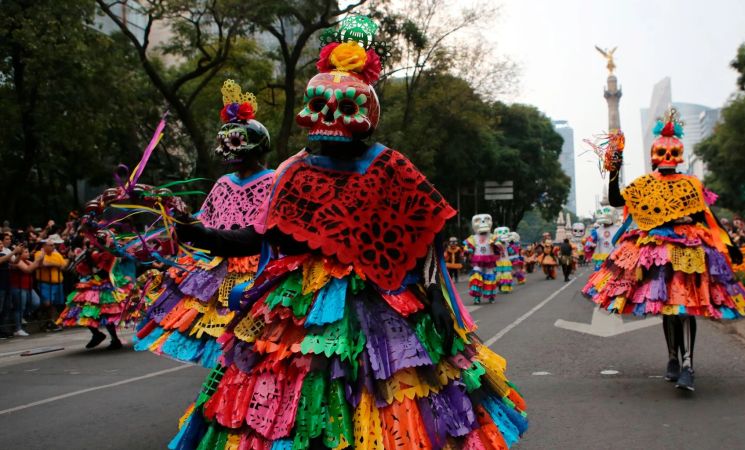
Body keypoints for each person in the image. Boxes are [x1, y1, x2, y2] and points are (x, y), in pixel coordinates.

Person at [168, 15, 527, 449]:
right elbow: (258, 236)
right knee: (300, 399)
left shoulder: (390, 166)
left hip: (386, 296)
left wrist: (435, 292)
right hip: (304, 305)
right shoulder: (295, 172)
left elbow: (425, 227)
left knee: (391, 392)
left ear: (367, 118)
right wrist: (198, 234)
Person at [583, 108, 745, 392]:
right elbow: (615, 200)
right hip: (657, 250)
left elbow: (705, 216)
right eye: (663, 152)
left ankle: (688, 365)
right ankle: (673, 358)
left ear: (680, 154)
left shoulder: (690, 184)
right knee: (670, 309)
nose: (668, 158)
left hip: (690, 249)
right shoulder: (645, 184)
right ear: (654, 155)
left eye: (673, 153)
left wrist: (728, 244)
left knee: (684, 308)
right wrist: (613, 169)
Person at [134, 80, 276, 368]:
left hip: (258, 266)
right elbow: (206, 218)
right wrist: (180, 219)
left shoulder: (274, 180)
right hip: (218, 268)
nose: (229, 151)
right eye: (225, 143)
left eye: (235, 143)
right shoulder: (223, 183)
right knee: (220, 334)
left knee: (258, 335)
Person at [56, 231, 135, 349]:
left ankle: (114, 339)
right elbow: (93, 266)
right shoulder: (93, 252)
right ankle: (97, 334)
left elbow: (122, 257)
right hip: (96, 284)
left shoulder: (113, 250)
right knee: (82, 310)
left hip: (111, 283)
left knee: (108, 311)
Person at [34, 234, 68, 329]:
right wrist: (55, 265)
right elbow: (43, 264)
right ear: (44, 246)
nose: (54, 246)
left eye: (53, 245)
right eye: (51, 245)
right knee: (47, 303)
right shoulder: (39, 254)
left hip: (57, 283)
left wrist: (54, 264)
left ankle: (50, 322)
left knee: (55, 303)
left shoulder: (57, 254)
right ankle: (50, 320)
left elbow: (64, 265)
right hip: (45, 283)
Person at [465, 214, 500, 304]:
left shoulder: (493, 237)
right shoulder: (473, 238)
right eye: (479, 221)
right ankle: (477, 297)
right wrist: (467, 250)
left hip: (489, 260)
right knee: (476, 277)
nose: (483, 222)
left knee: (490, 276)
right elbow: (467, 247)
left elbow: (500, 248)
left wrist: (496, 245)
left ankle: (491, 296)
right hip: (477, 260)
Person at [9, 246, 43, 336]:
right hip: (18, 287)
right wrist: (37, 260)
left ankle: (19, 317)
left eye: (28, 252)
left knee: (36, 302)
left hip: (28, 287)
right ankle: (18, 328)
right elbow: (28, 270)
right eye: (25, 252)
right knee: (20, 307)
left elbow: (39, 265)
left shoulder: (27, 261)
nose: (28, 253)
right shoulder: (17, 261)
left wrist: (41, 257)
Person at [0, 233, 20, 338]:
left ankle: (3, 329)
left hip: (7, 284)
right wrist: (14, 251)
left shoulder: (6, 251)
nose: (1, 245)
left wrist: (19, 253)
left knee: (6, 308)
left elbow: (15, 262)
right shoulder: (5, 253)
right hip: (0, 285)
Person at [493, 227, 515, 293]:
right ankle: (499, 286)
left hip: (506, 261)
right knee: (498, 275)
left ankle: (505, 288)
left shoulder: (507, 243)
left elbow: (511, 251)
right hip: (498, 261)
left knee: (506, 275)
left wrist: (511, 244)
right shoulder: (495, 244)